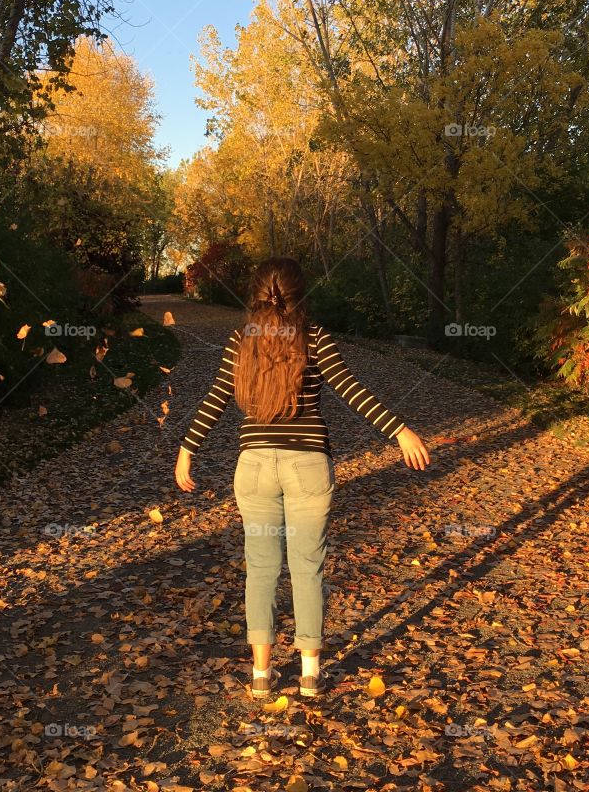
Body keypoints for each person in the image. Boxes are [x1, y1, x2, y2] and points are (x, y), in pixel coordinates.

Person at [173, 256, 430, 699]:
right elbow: (350, 388)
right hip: (307, 464)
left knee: (261, 568)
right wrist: (400, 430)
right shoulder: (314, 338)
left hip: (253, 465)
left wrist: (186, 451)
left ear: (255, 293)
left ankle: (260, 676)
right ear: (299, 295)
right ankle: (310, 673)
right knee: (307, 569)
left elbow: (216, 396)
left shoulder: (243, 339)